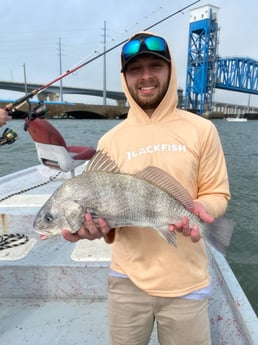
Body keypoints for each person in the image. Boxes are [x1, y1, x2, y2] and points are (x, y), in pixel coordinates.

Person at [62, 31, 230, 345]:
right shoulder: (110, 140)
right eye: (135, 69)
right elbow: (108, 218)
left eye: (156, 65)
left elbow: (217, 192)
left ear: (171, 70)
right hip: (126, 281)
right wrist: (96, 228)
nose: (146, 76)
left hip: (187, 283)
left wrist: (201, 209)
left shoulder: (201, 129)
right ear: (125, 78)